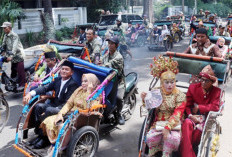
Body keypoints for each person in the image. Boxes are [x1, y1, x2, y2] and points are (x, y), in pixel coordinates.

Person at [40, 73, 101, 156]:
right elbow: (69, 104)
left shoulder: (97, 95)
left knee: (62, 126)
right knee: (49, 120)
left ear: (92, 83)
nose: (82, 83)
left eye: (86, 81)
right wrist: (60, 114)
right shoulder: (79, 90)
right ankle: (54, 145)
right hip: (70, 114)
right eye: (82, 81)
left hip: (82, 118)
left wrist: (89, 93)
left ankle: (57, 149)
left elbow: (89, 109)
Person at [23, 60, 79, 148]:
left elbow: (68, 103)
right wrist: (31, 93)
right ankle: (40, 134)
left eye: (66, 70)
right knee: (38, 107)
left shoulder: (73, 84)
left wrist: (56, 108)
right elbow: (45, 88)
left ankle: (44, 139)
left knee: (48, 110)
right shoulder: (57, 80)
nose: (64, 71)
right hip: (54, 104)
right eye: (62, 69)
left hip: (64, 108)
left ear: (71, 73)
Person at [141, 56, 186, 157]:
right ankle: (152, 153)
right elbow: (148, 108)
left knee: (172, 139)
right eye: (167, 82)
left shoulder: (180, 95)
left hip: (174, 124)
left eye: (172, 82)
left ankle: (166, 154)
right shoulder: (156, 92)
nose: (170, 85)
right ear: (162, 83)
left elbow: (177, 114)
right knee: (150, 137)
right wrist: (145, 99)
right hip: (158, 123)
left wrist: (167, 127)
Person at [180, 65, 221, 157]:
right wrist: (190, 116)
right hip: (192, 117)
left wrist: (199, 107)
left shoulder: (216, 91)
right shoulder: (193, 88)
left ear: (212, 82)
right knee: (187, 123)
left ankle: (186, 151)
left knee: (197, 134)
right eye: (201, 79)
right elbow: (187, 105)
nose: (203, 82)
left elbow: (215, 107)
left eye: (206, 81)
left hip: (206, 119)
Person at [98, 36, 126, 125]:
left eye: (112, 44)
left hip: (118, 82)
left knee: (118, 98)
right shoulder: (107, 54)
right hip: (108, 81)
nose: (109, 45)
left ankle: (119, 114)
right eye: (109, 43)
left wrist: (101, 64)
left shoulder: (119, 57)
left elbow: (108, 66)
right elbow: (100, 61)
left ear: (117, 45)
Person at [1, 22, 25, 91]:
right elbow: (3, 45)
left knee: (20, 71)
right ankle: (13, 84)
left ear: (9, 27)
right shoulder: (6, 35)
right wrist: (2, 51)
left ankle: (22, 85)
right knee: (13, 71)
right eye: (3, 28)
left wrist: (10, 56)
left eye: (5, 28)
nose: (4, 29)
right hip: (12, 57)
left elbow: (14, 47)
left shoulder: (14, 35)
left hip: (18, 55)